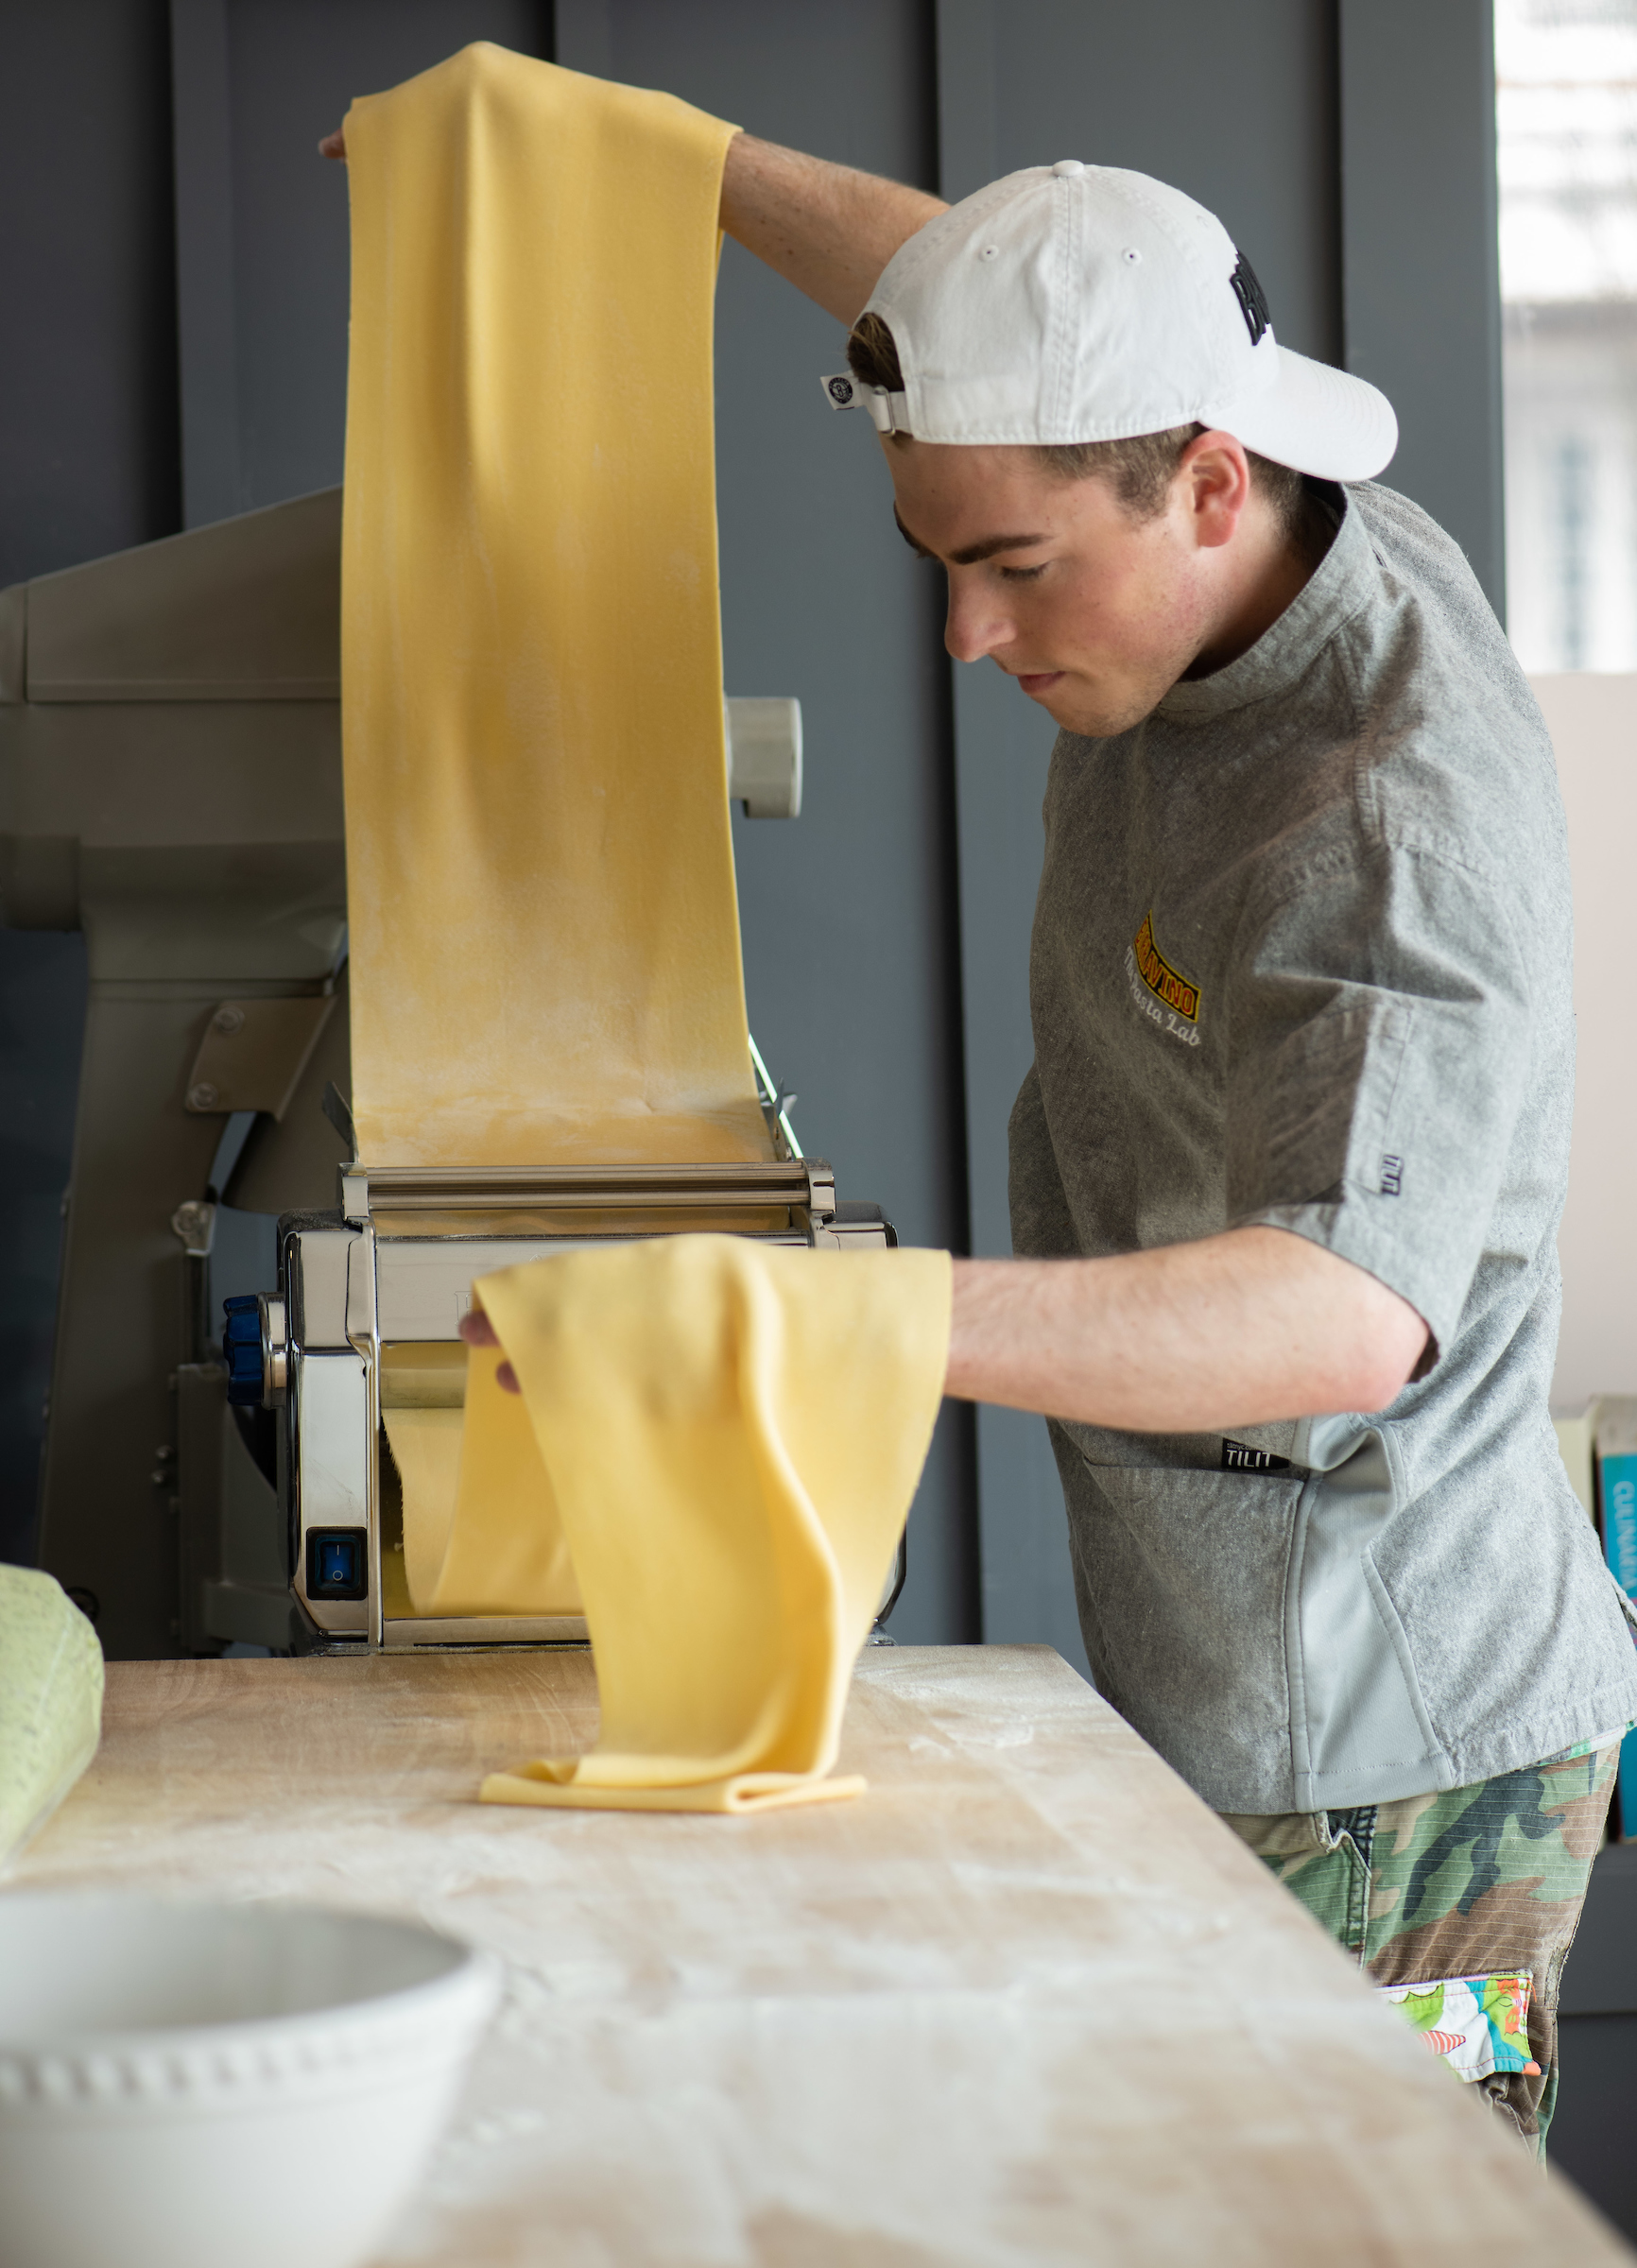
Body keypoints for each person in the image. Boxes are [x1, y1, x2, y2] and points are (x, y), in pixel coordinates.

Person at [325, 114, 1637, 2146]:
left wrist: (818, 1322)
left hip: (1394, 1769)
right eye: (937, 556)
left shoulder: (1375, 821)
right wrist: (663, 154)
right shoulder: (1186, 458)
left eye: (1014, 570)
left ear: (1207, 478)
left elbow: (1341, 1316)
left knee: (1362, 2218)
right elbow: (983, 283)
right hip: (1223, 1661)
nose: (962, 637)